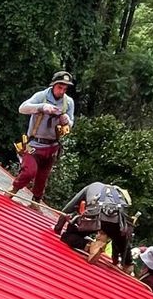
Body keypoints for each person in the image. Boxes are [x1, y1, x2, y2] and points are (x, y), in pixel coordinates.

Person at [9, 72, 75, 204]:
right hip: (34, 143)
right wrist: (41, 107)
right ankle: (13, 189)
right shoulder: (42, 96)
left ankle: (36, 201)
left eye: (65, 89)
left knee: (43, 177)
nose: (62, 91)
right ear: (54, 85)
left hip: (52, 145)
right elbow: (22, 108)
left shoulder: (68, 102)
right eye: (59, 87)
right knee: (29, 172)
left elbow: (71, 123)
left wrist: (66, 120)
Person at [54, 182, 133, 268]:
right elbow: (121, 237)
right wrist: (118, 260)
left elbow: (67, 209)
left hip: (96, 217)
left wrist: (57, 229)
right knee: (120, 237)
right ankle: (128, 265)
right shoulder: (120, 195)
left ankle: (90, 245)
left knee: (67, 236)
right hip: (117, 222)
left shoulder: (91, 187)